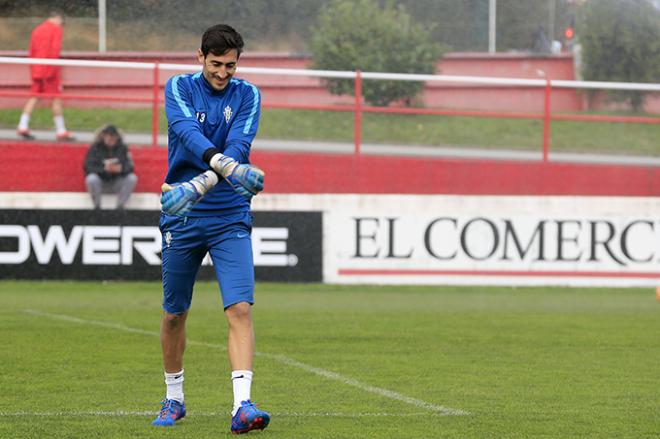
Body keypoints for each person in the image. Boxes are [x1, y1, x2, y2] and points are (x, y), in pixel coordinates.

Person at [152, 24, 268, 434]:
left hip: (228, 211)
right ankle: (174, 397)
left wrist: (202, 184)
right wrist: (218, 172)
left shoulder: (248, 94)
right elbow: (186, 133)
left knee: (239, 308)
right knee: (173, 315)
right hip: (182, 213)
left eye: (230, 65)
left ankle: (242, 406)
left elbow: (239, 145)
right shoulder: (179, 87)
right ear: (200, 57)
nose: (223, 73)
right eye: (216, 64)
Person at [16, 10, 74, 141]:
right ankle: (61, 130)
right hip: (49, 69)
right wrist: (52, 70)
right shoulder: (56, 30)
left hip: (37, 67)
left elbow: (32, 50)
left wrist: (34, 69)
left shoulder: (38, 29)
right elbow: (55, 50)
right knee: (56, 97)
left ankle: (22, 125)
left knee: (34, 96)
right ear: (58, 18)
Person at [83, 124, 137, 209]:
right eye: (109, 136)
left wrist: (120, 169)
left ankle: (119, 207)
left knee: (132, 178)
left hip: (117, 182)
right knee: (91, 179)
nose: (111, 139)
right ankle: (97, 207)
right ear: (103, 136)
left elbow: (130, 167)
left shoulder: (122, 148)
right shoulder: (95, 148)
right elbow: (88, 167)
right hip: (100, 182)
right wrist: (104, 169)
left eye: (113, 137)